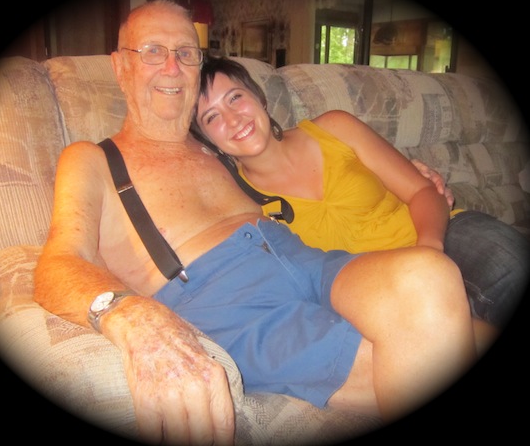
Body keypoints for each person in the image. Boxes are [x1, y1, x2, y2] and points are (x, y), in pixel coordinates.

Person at [34, 0, 487, 446]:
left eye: (186, 53)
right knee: (427, 348)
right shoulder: (92, 159)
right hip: (233, 303)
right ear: (120, 67)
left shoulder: (219, 151)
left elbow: (293, 163)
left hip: (309, 262)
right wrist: (130, 314)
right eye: (153, 51)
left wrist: (414, 178)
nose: (172, 67)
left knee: (431, 276)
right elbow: (57, 263)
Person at [192, 55, 530, 332]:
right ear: (209, 141)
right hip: (383, 292)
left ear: (259, 98)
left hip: (441, 234)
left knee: (512, 269)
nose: (233, 118)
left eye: (235, 97)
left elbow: (423, 191)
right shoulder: (241, 205)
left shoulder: (335, 127)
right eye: (212, 117)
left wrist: (428, 252)